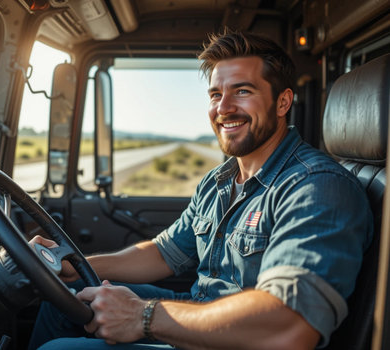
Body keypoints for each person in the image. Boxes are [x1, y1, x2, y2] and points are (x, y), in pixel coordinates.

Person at [28, 30, 373, 350]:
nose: (223, 108)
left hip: (237, 341)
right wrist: (78, 265)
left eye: (243, 91)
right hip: (200, 312)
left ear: (282, 103)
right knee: (67, 294)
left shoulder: (317, 187)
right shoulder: (218, 181)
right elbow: (163, 253)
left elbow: (290, 324)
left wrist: (143, 316)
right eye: (215, 94)